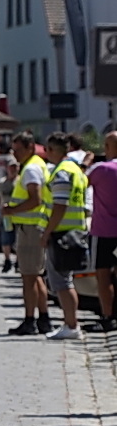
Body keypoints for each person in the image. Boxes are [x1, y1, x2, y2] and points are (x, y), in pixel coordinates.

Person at [42, 130, 91, 340]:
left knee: (62, 282)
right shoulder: (76, 171)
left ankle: (71, 325)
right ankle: (70, 324)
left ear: (52, 150)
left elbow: (59, 207)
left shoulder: (62, 172)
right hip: (75, 231)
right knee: (66, 280)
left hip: (62, 233)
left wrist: (46, 233)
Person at [3, 132, 53, 335]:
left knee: (28, 277)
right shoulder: (36, 165)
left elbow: (36, 199)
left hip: (30, 227)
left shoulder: (31, 169)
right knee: (36, 275)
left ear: (30, 147)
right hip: (33, 226)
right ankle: (43, 318)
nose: (15, 154)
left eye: (18, 150)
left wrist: (11, 210)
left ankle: (30, 320)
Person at [89, 130, 117, 331]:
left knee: (103, 275)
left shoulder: (102, 169)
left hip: (105, 230)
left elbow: (82, 183)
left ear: (107, 148)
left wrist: (85, 162)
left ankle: (108, 317)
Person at [0, 158, 18, 273]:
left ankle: (18, 261)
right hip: (6, 216)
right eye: (11, 167)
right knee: (5, 239)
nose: (13, 169)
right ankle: (7, 260)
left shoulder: (20, 182)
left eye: (15, 167)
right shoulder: (2, 183)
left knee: (18, 239)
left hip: (19, 214)